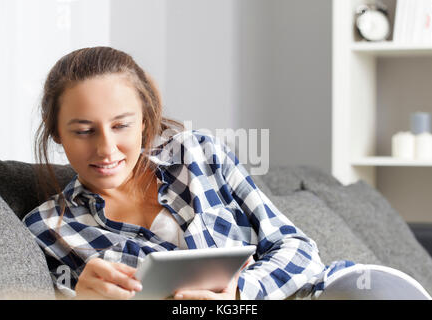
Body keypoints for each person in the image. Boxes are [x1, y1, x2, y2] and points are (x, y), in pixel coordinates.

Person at [21, 46, 413, 300]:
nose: (106, 149)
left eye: (121, 125)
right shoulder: (46, 228)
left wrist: (241, 291)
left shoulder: (199, 154)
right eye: (84, 131)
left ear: (144, 121)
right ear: (57, 130)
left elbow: (299, 250)